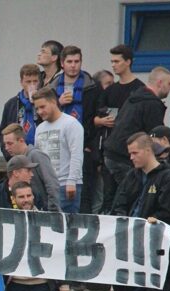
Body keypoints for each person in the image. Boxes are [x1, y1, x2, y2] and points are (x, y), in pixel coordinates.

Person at [111, 133, 170, 291]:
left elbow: (168, 213)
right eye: (130, 154)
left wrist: (152, 221)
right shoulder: (131, 175)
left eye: (135, 153)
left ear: (148, 151)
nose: (131, 157)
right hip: (129, 247)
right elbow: (119, 203)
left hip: (153, 251)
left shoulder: (168, 178)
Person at [103, 66, 170, 211]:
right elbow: (154, 136)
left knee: (112, 197)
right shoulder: (152, 104)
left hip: (111, 153)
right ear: (160, 82)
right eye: (169, 83)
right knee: (134, 197)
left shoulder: (134, 98)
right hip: (125, 156)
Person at [47, 45, 100, 213]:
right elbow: (44, 115)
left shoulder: (92, 86)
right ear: (62, 63)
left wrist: (90, 145)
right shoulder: (52, 87)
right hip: (59, 146)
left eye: (77, 61)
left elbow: (96, 116)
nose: (73, 65)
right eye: (69, 61)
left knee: (83, 193)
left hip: (85, 145)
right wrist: (58, 103)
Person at [5, 181, 70, 291]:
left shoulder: (47, 221)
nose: (26, 200)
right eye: (21, 197)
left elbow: (58, 253)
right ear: (14, 199)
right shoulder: (6, 222)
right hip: (16, 286)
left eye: (29, 195)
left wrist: (64, 285)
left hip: (43, 286)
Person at [96, 45, 145, 213]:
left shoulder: (139, 89)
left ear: (128, 62)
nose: (114, 65)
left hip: (130, 154)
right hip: (110, 151)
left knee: (130, 194)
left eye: (117, 61)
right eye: (112, 61)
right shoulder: (110, 90)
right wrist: (102, 121)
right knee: (108, 195)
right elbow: (95, 116)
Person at [33, 87, 84, 213]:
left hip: (65, 184)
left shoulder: (71, 124)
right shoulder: (39, 128)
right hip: (47, 186)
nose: (40, 111)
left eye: (42, 107)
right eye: (37, 108)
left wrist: (72, 181)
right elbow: (38, 157)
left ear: (54, 102)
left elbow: (76, 154)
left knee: (67, 227)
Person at [1, 123, 60, 211]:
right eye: (5, 144)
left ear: (21, 140)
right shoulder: (15, 160)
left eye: (9, 143)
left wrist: (53, 210)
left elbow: (52, 184)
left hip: (43, 212)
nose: (6, 147)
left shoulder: (36, 155)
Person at [0, 64, 41, 156]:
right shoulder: (11, 104)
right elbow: (3, 131)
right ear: (21, 82)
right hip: (17, 156)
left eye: (35, 81)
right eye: (28, 82)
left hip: (39, 154)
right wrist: (8, 155)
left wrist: (38, 102)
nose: (32, 85)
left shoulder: (44, 103)